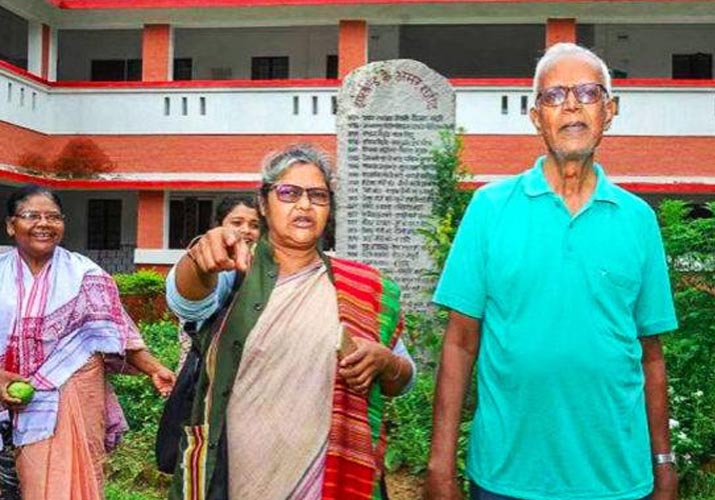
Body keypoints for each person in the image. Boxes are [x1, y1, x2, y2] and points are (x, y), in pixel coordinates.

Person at [425, 43, 678, 500]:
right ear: (536, 116)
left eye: (588, 92)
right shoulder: (489, 209)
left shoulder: (638, 219)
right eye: (555, 95)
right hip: (506, 476)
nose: (572, 105)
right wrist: (440, 466)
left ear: (610, 111)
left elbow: (651, 355)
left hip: (616, 479)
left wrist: (664, 464)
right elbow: (460, 343)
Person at [166, 144, 416, 499]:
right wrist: (198, 259)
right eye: (288, 192)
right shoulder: (236, 269)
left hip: (328, 479)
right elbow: (186, 301)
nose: (304, 205)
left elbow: (404, 379)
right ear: (263, 204)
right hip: (239, 476)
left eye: (318, 195)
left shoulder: (359, 288)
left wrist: (386, 362)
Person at [0, 185, 176, 500]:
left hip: (70, 399)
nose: (44, 223)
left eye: (53, 217)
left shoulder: (86, 274)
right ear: (11, 225)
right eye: (32, 215)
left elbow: (117, 334)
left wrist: (154, 369)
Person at [175, 196, 260, 369]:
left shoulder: (262, 265)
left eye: (255, 225)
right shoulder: (212, 263)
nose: (246, 230)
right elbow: (192, 305)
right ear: (220, 226)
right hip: (208, 367)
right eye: (237, 223)